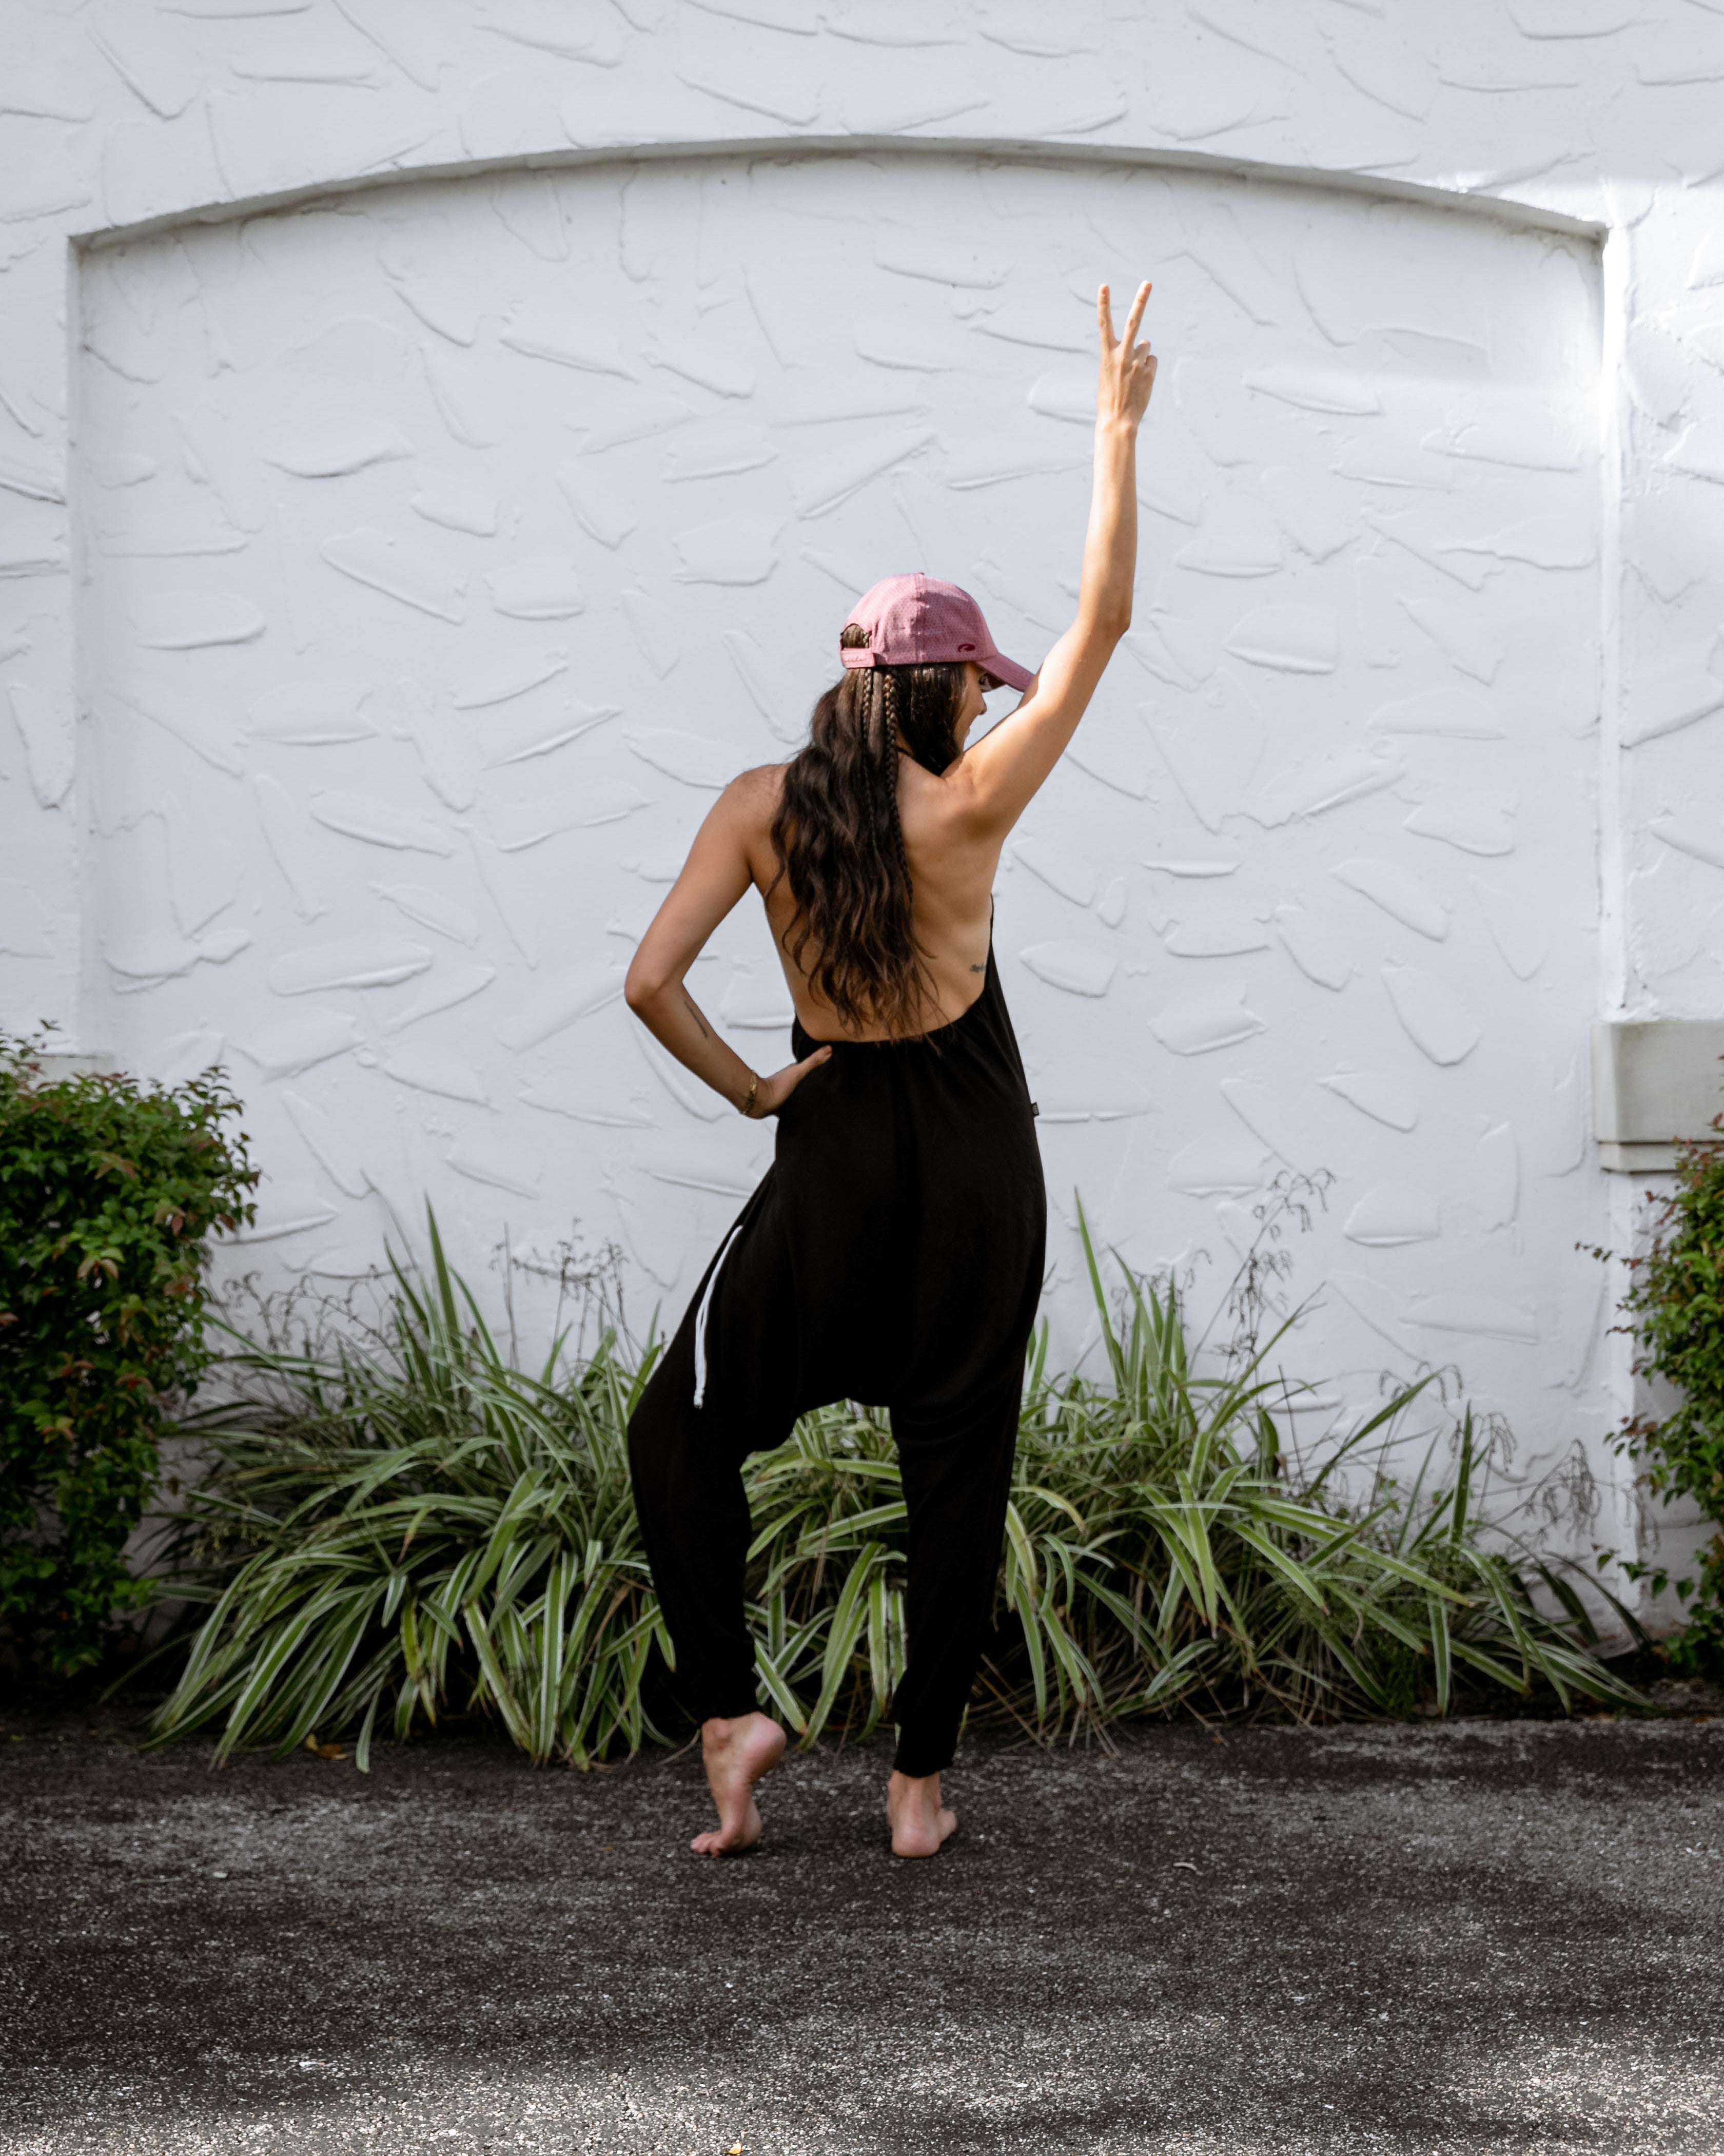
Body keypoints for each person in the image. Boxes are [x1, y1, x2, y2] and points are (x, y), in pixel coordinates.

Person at [624, 281, 1158, 1858]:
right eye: (976, 677)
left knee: (682, 1428)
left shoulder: (754, 805)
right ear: (934, 692)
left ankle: (731, 1711)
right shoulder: (972, 804)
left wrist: (749, 1090)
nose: (993, 690)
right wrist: (1115, 432)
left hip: (838, 1144)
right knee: (959, 1463)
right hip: (980, 1154)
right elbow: (1102, 625)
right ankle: (917, 1785)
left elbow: (649, 982)